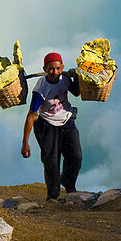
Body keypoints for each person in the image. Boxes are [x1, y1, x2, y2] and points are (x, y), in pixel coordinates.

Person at [20, 51, 82, 201]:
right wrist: (25, 143)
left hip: (67, 121)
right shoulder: (40, 89)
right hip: (47, 125)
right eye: (51, 69)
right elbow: (31, 115)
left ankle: (69, 184)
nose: (55, 72)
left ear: (62, 67)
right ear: (45, 68)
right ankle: (52, 195)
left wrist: (78, 78)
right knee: (51, 162)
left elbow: (76, 93)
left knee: (75, 156)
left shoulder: (64, 79)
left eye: (58, 68)